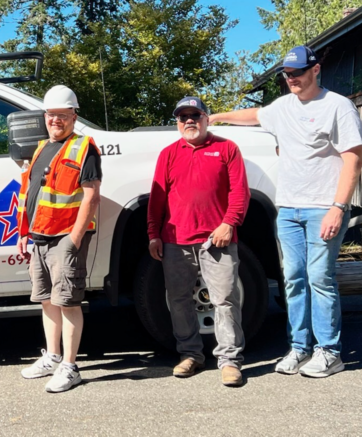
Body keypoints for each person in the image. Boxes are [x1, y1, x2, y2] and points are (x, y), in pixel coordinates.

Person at [210, 46, 362, 377]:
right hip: (289, 208)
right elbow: (255, 114)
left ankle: (329, 351)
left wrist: (338, 208)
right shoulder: (283, 107)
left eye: (297, 73)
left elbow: (353, 158)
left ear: (316, 70)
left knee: (320, 278)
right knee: (293, 279)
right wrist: (217, 117)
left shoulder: (339, 107)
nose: (291, 79)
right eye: (287, 75)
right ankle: (299, 347)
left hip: (323, 207)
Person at [147, 97, 250, 387]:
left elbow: (240, 192)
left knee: (225, 301)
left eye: (195, 115)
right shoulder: (168, 154)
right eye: (183, 117)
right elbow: (157, 199)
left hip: (216, 241)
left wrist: (229, 223)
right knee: (179, 301)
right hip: (174, 241)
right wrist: (153, 234)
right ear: (178, 123)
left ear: (207, 118)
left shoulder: (226, 149)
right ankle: (191, 355)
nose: (189, 120)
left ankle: (230, 361)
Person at [16, 85, 102, 393]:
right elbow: (31, 194)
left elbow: (91, 196)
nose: (56, 120)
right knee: (46, 299)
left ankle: (70, 366)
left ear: (74, 116)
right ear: (45, 116)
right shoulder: (41, 147)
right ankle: (52, 356)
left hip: (66, 237)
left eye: (63, 115)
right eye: (52, 115)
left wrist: (75, 239)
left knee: (68, 301)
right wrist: (24, 232)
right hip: (39, 237)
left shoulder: (84, 147)